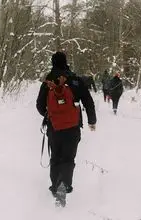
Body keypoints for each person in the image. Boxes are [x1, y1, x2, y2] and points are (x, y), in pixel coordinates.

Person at [36, 52, 97, 201]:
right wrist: (92, 121)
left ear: (53, 63)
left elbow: (39, 105)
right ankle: (64, 186)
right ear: (66, 62)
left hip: (54, 128)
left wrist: (49, 114)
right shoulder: (75, 79)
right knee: (68, 158)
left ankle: (55, 186)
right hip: (73, 127)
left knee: (56, 157)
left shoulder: (48, 80)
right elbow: (88, 101)